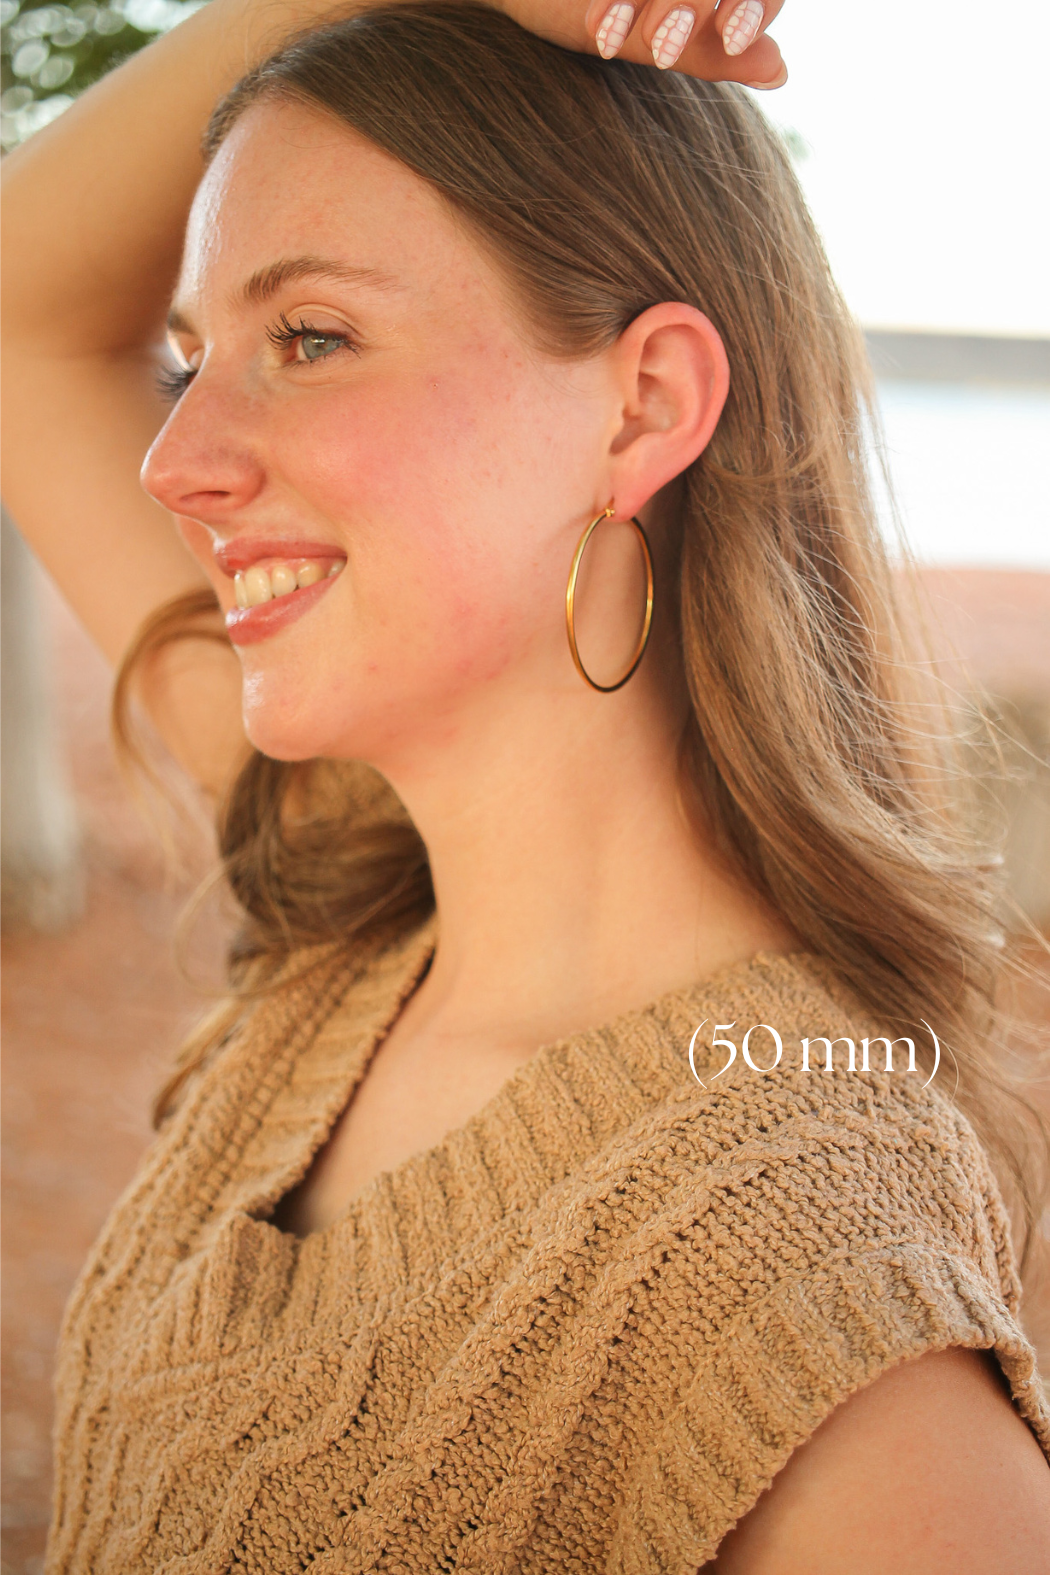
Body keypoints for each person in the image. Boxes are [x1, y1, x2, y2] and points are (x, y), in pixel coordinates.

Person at [3, 2, 1050, 1569]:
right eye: (191, 359)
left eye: (309, 339)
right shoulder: (356, 916)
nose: (178, 459)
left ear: (641, 408)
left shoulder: (828, 1312)